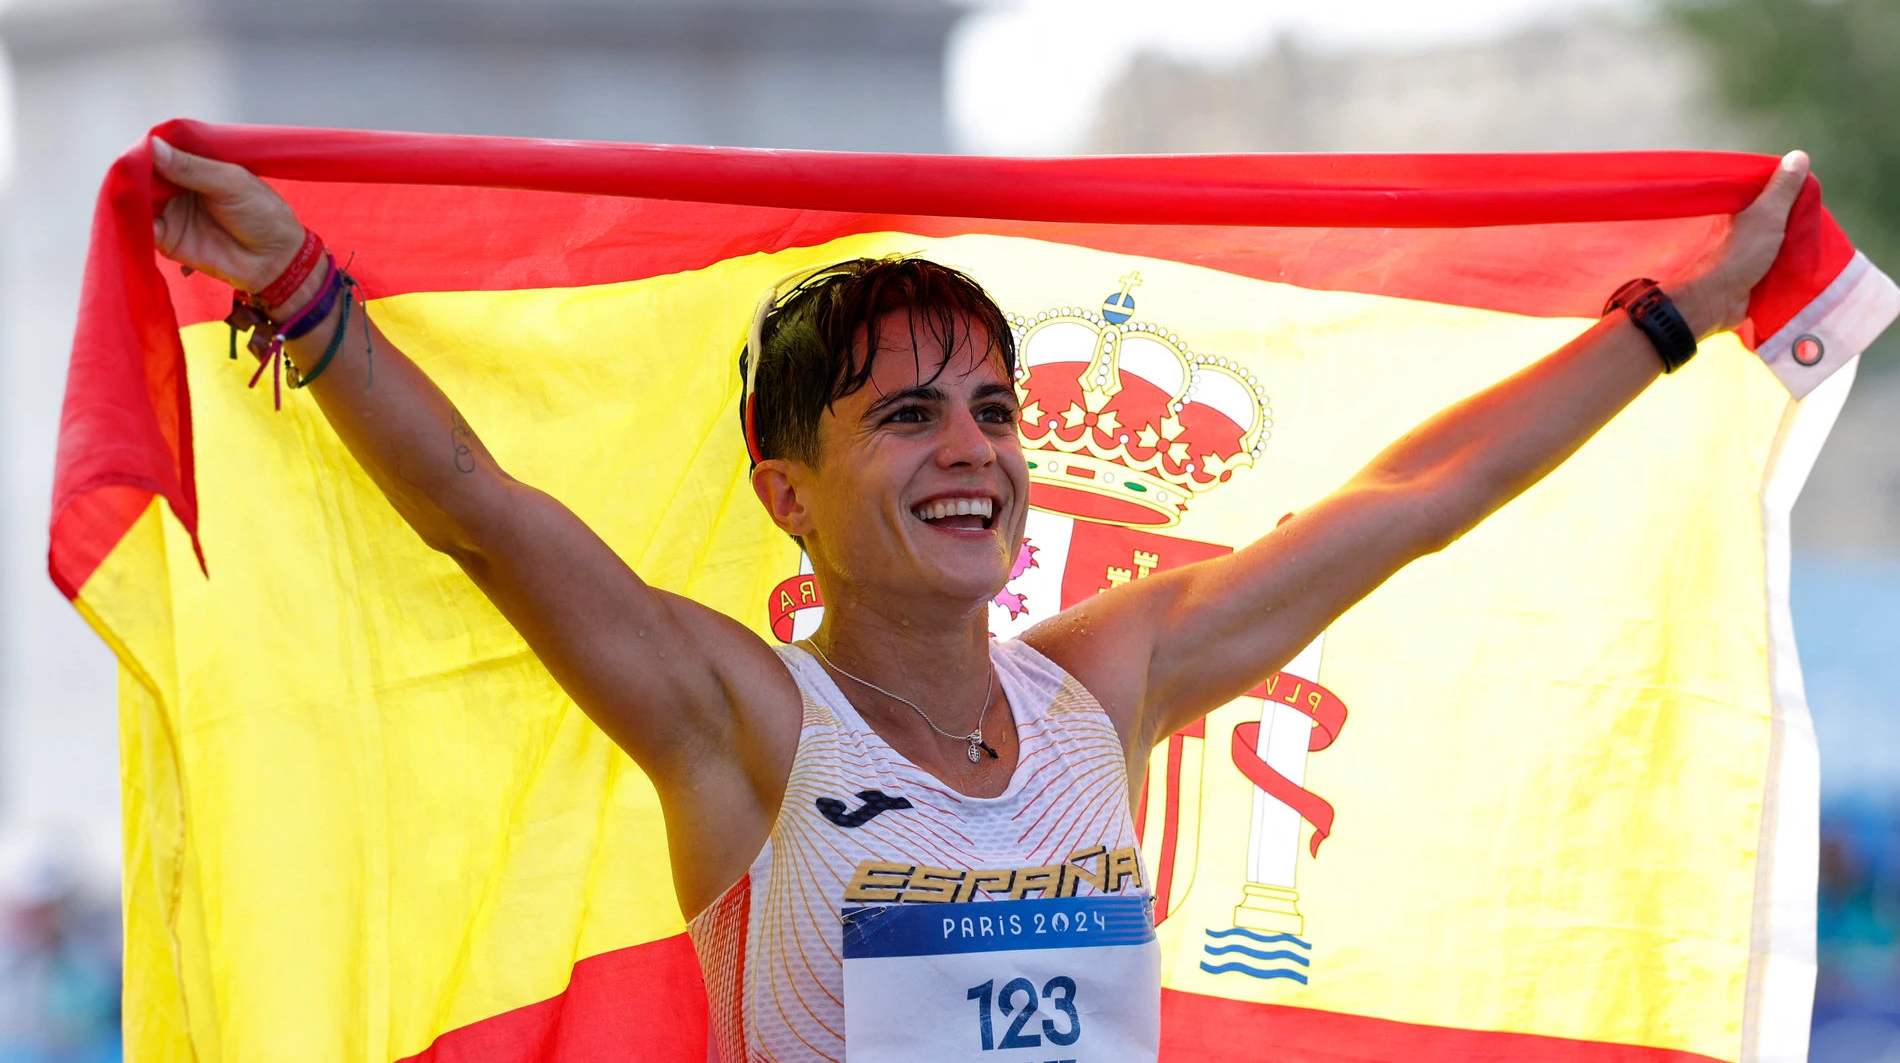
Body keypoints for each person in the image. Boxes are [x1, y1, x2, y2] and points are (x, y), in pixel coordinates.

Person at [147, 136, 1811, 1061]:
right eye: (906, 413)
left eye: (996, 409)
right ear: (786, 495)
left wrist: (1674, 317)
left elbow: (1412, 504)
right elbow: (484, 518)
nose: (976, 453)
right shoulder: (740, 724)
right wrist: (296, 284)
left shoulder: (1112, 683)